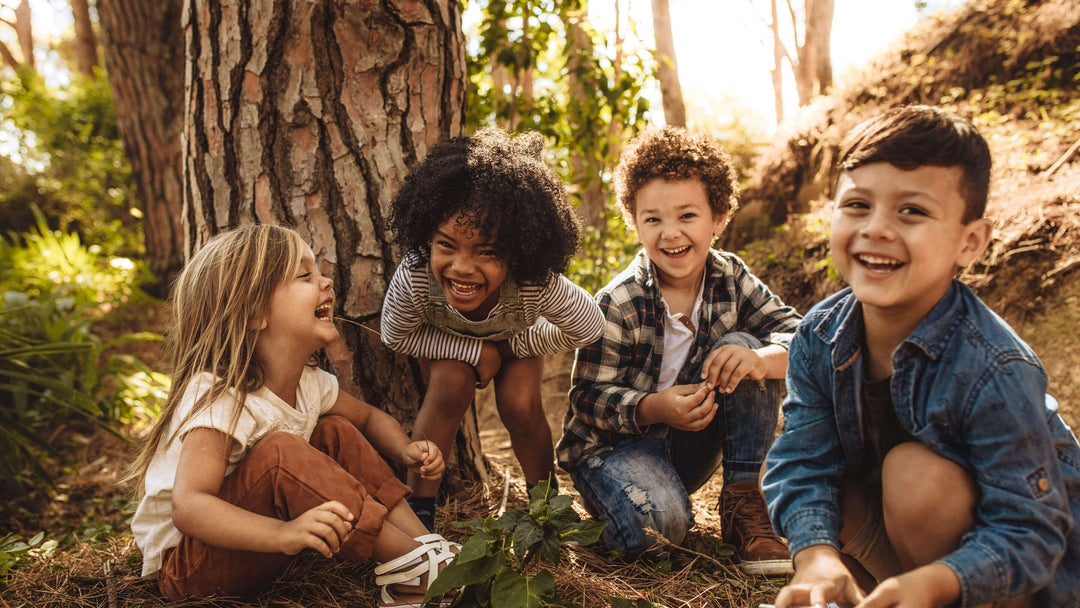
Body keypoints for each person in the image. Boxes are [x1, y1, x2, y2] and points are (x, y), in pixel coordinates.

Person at [763, 106, 1080, 608]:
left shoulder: (994, 366)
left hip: (1019, 579)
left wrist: (935, 583)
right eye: (858, 205)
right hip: (910, 560)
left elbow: (1031, 532)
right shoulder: (821, 336)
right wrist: (816, 556)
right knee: (828, 487)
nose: (877, 229)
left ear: (969, 241)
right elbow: (802, 462)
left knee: (914, 476)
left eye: (911, 211)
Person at [128, 225, 459, 608]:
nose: (327, 282)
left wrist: (404, 450)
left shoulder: (309, 384)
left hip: (254, 548)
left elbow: (367, 419)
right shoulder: (220, 395)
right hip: (191, 568)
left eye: (319, 272)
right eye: (305, 276)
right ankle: (416, 570)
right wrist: (282, 534)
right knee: (280, 453)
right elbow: (190, 506)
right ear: (254, 313)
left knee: (335, 430)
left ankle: (423, 547)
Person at [557, 127, 802, 574]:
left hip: (689, 445)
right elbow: (586, 398)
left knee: (744, 348)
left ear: (719, 217)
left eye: (687, 215)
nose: (670, 234)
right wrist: (653, 408)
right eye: (653, 219)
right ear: (634, 223)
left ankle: (744, 501)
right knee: (660, 531)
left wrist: (761, 360)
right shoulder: (619, 301)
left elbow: (803, 338)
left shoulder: (731, 277)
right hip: (613, 451)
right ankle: (631, 507)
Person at [381, 128, 605, 530]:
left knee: (520, 404)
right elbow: (395, 335)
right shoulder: (416, 275)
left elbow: (588, 326)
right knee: (449, 386)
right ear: (427, 237)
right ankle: (418, 519)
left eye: (487, 252)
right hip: (448, 346)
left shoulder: (535, 282)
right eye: (446, 245)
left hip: (516, 342)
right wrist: (474, 352)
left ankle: (546, 509)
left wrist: (514, 345)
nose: (462, 267)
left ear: (518, 253)